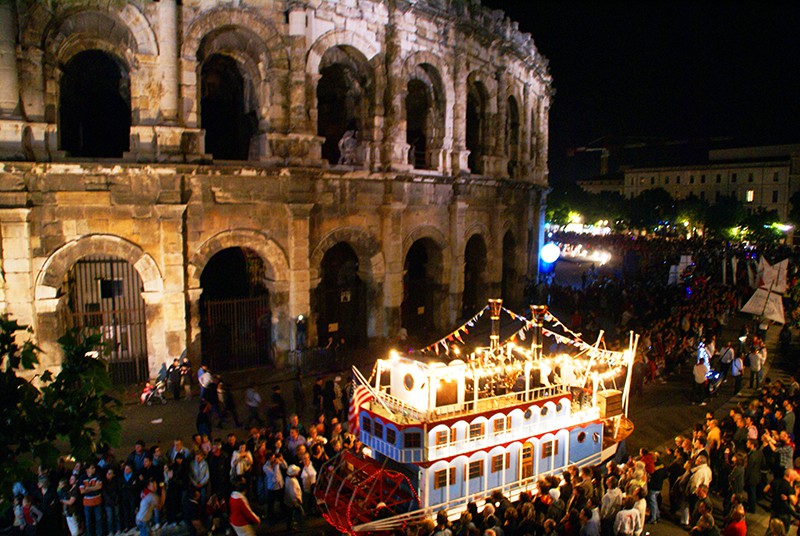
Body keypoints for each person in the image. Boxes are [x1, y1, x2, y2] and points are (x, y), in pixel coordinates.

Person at [79, 462, 104, 536]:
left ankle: (99, 534)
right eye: (92, 468)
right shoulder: (82, 478)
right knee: (88, 520)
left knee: (99, 519)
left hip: (97, 501)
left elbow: (99, 487)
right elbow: (82, 491)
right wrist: (93, 488)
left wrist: (88, 488)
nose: (94, 469)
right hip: (87, 502)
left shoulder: (97, 475)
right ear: (87, 469)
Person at [284, 464, 303, 532]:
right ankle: (298, 527)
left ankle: (290, 527)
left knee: (290, 515)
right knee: (298, 514)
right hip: (294, 502)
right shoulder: (293, 482)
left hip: (289, 501)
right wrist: (299, 500)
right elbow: (294, 494)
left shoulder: (287, 479)